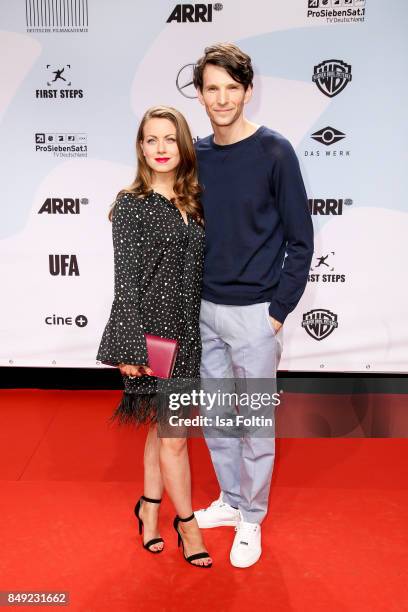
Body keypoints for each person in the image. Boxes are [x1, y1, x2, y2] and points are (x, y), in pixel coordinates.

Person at [192, 43, 314, 568]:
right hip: (202, 310)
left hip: (255, 313)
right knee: (216, 417)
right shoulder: (194, 154)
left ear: (246, 91)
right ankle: (229, 499)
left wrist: (277, 311)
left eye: (230, 87)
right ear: (199, 94)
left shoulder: (274, 151)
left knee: (257, 422)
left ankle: (252, 519)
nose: (221, 98)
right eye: (211, 88)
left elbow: (300, 238)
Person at [96, 106, 212, 568]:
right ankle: (187, 525)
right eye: (151, 140)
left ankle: (148, 510)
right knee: (175, 436)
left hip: (188, 333)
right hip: (152, 336)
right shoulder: (131, 204)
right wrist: (128, 345)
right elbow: (125, 281)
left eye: (170, 139)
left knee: (160, 429)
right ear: (141, 147)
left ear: (183, 145)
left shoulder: (196, 201)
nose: (161, 149)